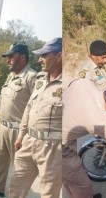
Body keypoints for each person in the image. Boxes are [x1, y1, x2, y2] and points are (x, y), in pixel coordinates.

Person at [0, 43, 36, 197]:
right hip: (4, 127)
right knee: (1, 161)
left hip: (19, 130)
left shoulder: (31, 77)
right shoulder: (11, 76)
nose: (8, 60)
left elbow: (37, 107)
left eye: (11, 56)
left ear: (23, 57)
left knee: (19, 168)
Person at [9, 38, 62, 197]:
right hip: (29, 141)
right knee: (16, 186)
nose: (40, 59)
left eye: (44, 55)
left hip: (52, 148)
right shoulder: (40, 79)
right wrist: (21, 135)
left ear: (59, 56)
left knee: (48, 193)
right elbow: (29, 108)